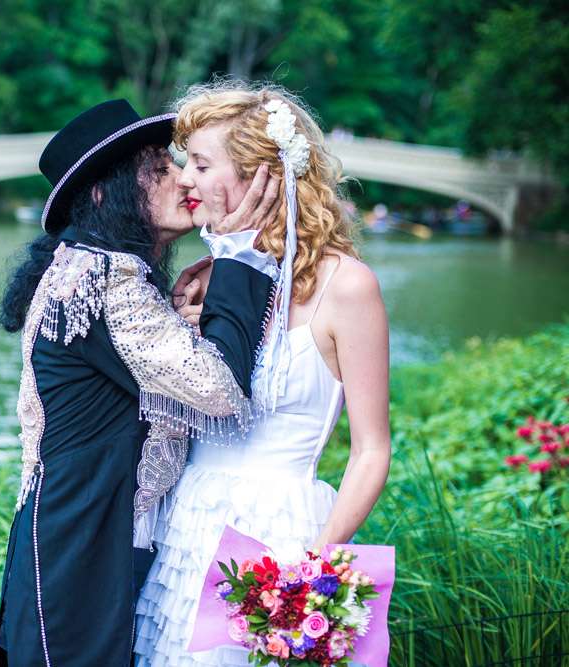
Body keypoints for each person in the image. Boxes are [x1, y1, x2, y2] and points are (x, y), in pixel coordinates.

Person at [0, 99, 281, 667]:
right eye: (159, 169)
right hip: (80, 548)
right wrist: (239, 253)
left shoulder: (95, 267)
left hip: (83, 535)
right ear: (106, 194)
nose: (183, 178)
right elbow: (218, 388)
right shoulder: (101, 277)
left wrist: (198, 310)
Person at [134, 81, 392, 666]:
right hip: (184, 528)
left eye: (201, 165)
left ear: (261, 176)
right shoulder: (209, 280)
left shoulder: (347, 287)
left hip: (280, 536)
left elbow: (372, 451)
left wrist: (311, 571)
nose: (185, 180)